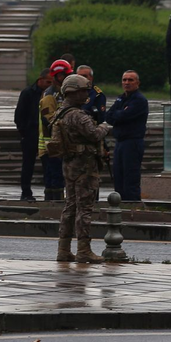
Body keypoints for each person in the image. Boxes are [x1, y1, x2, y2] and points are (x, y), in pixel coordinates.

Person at [49, 74, 112, 263]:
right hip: (84, 165)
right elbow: (93, 134)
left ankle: (64, 249)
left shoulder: (61, 112)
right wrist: (105, 126)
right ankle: (84, 250)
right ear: (73, 92)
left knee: (70, 206)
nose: (86, 94)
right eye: (84, 90)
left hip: (69, 163)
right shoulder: (77, 115)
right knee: (84, 208)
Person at [105, 70, 149, 201]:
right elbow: (108, 116)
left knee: (131, 178)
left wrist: (118, 115)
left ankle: (132, 207)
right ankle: (120, 206)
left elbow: (123, 116)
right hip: (120, 142)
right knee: (118, 177)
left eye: (130, 80)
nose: (127, 83)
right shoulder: (121, 98)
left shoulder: (139, 100)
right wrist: (119, 115)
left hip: (132, 142)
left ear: (137, 83)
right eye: (124, 80)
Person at [15, 69, 53, 202]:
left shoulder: (52, 94)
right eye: (48, 82)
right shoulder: (28, 93)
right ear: (40, 80)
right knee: (28, 165)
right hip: (31, 134)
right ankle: (26, 192)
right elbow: (19, 114)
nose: (50, 84)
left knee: (48, 165)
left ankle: (50, 191)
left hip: (46, 135)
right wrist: (24, 132)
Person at [39, 59, 73, 201]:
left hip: (59, 144)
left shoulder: (62, 93)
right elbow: (49, 119)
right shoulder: (49, 95)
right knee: (55, 178)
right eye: (66, 75)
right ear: (59, 76)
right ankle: (53, 205)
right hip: (50, 146)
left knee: (58, 176)